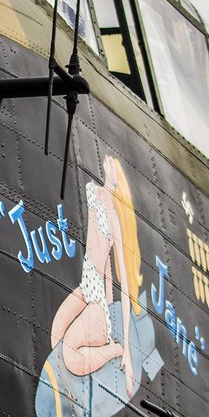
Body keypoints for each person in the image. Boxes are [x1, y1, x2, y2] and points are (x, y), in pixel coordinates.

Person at [49, 155, 143, 397]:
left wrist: (127, 356)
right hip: (87, 285)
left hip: (96, 301)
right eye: (109, 167)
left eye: (115, 172)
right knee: (55, 335)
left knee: (69, 353)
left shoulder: (114, 219)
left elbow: (120, 282)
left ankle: (115, 350)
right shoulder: (92, 191)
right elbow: (108, 269)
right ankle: (68, 389)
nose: (111, 168)